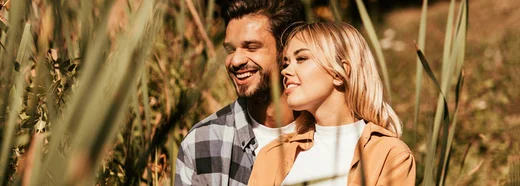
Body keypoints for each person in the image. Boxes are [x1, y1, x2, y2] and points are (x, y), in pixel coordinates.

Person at [248, 22, 416, 186]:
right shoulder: (272, 155)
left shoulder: (389, 155)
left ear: (339, 73)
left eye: (301, 58)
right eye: (286, 63)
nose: (286, 71)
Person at [174, 0, 305, 185]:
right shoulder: (202, 142)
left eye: (251, 47)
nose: (235, 61)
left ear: (286, 50)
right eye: (230, 49)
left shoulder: (330, 134)